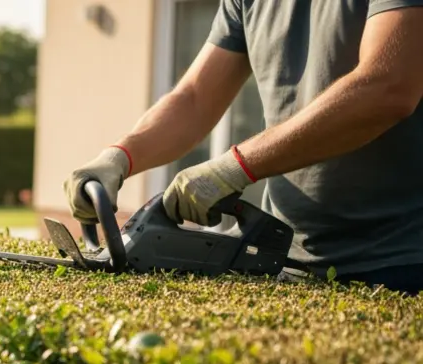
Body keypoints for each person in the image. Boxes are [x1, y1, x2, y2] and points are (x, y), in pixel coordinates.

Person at [64, 2, 423, 292]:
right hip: (283, 259)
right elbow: (195, 98)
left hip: (402, 261)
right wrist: (120, 157)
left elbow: (388, 86)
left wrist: (233, 167)